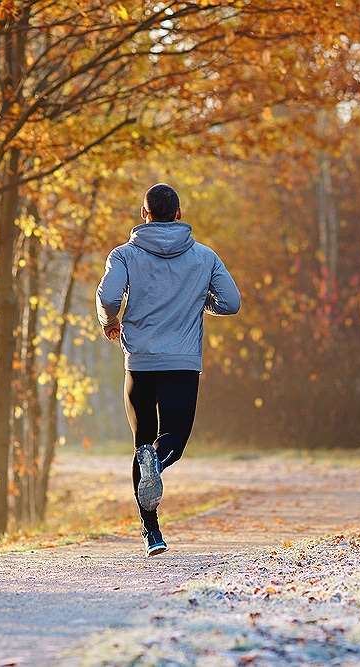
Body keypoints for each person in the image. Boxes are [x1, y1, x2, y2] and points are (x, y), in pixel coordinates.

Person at [96, 183, 241, 556]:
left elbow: (109, 297)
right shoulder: (205, 257)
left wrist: (110, 321)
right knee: (171, 441)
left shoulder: (124, 255)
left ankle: (152, 532)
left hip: (140, 363)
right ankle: (156, 464)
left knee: (142, 441)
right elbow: (231, 302)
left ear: (144, 215)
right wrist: (198, 301)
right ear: (178, 214)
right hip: (182, 364)